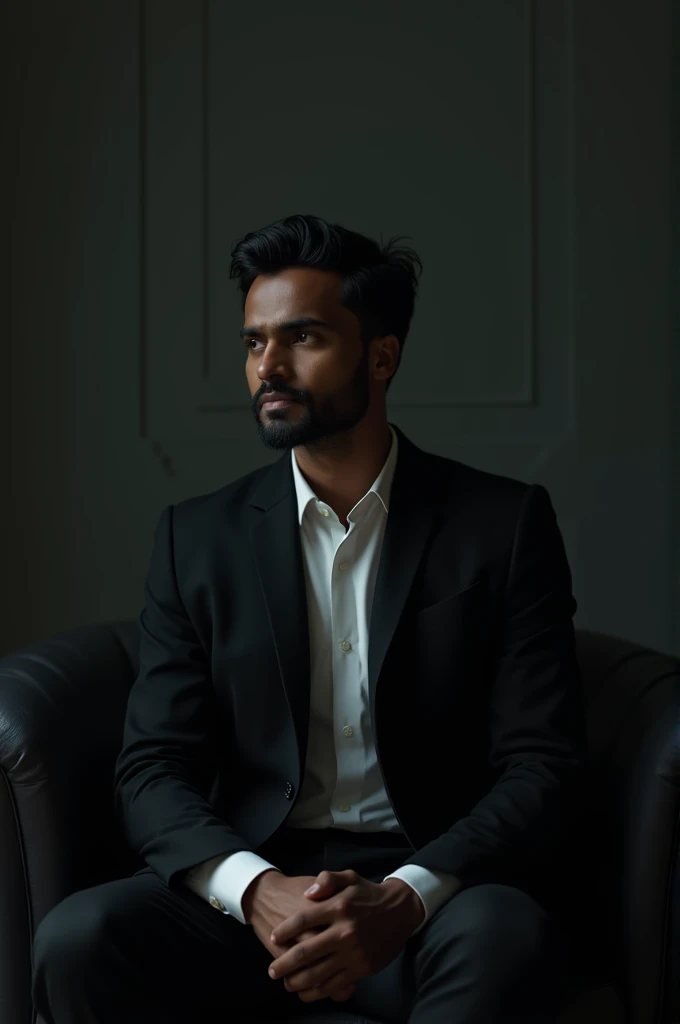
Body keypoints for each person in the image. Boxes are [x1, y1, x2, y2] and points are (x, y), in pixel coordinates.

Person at [32, 213, 588, 1023]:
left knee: (509, 939)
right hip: (255, 895)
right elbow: (151, 768)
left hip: (430, 895)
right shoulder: (198, 538)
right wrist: (254, 890)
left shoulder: (500, 527)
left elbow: (542, 764)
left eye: (303, 338)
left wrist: (404, 899)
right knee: (80, 936)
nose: (270, 367)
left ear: (382, 355)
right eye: (255, 342)